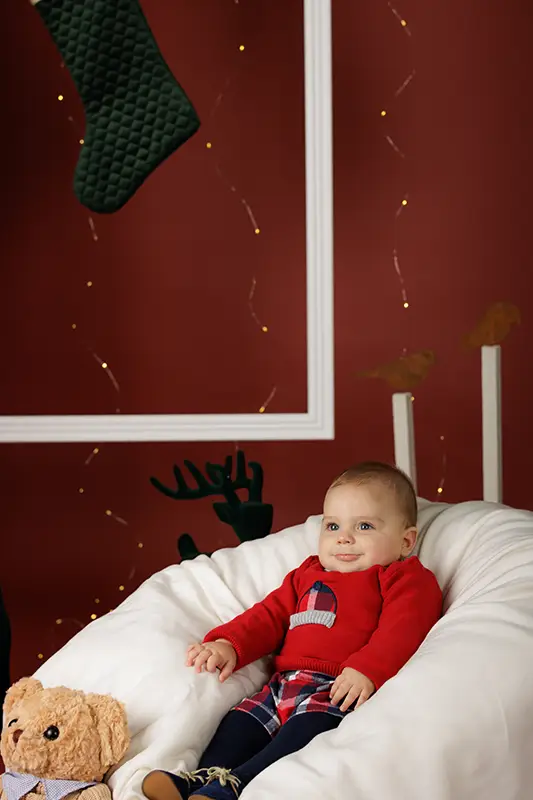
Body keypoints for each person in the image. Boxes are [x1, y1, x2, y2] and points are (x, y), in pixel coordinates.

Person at [143, 461, 443, 800]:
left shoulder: (402, 578)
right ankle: (200, 779)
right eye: (332, 525)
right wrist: (229, 643)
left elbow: (404, 628)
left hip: (335, 691)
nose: (344, 537)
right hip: (280, 685)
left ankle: (234, 784)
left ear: (406, 541)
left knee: (300, 738)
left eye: (364, 526)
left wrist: (367, 669)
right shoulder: (306, 575)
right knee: (239, 723)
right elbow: (269, 615)